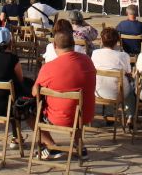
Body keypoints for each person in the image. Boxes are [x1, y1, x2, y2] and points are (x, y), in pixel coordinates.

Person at [32, 30, 96, 159]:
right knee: (75, 105)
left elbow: (34, 92)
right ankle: (79, 145)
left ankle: (50, 145)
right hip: (85, 115)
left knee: (26, 110)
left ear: (55, 46)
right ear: (73, 44)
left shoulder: (49, 67)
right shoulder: (87, 61)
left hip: (60, 117)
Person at [91, 27, 134, 120]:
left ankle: (109, 113)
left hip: (98, 91)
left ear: (102, 40)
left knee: (110, 82)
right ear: (116, 42)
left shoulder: (95, 53)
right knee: (131, 87)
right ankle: (130, 115)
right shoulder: (123, 55)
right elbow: (129, 72)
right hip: (117, 93)